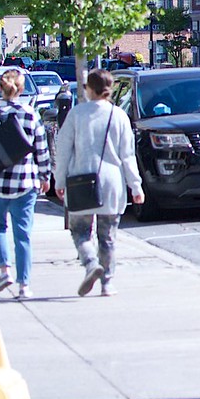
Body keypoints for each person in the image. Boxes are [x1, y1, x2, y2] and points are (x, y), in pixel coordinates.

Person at [55, 69, 143, 297]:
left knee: (81, 231)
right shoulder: (119, 116)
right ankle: (107, 283)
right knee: (108, 236)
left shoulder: (77, 115)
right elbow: (128, 155)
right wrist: (136, 185)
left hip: (80, 181)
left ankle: (90, 262)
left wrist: (60, 179)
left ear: (90, 89)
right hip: (111, 183)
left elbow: (63, 149)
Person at [0, 68, 51, 298]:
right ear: (22, 88)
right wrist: (44, 176)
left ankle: (4, 269)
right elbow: (41, 148)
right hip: (24, 182)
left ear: (0, 87)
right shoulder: (30, 114)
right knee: (23, 233)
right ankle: (24, 285)